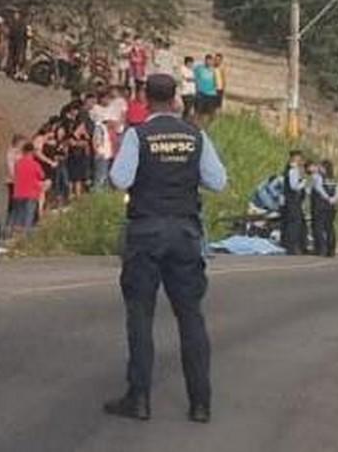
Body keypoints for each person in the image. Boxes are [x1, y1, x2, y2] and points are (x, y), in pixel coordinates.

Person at [105, 74, 227, 425]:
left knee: (141, 315)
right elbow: (218, 181)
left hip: (145, 232)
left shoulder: (137, 135)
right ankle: (200, 403)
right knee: (190, 316)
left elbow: (120, 179)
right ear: (176, 99)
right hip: (185, 233)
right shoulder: (195, 136)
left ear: (145, 97)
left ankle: (139, 398)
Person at [8, 142, 46, 235]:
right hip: (31, 193)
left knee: (17, 215)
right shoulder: (35, 164)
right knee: (28, 217)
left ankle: (12, 234)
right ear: (32, 152)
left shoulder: (18, 163)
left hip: (18, 193)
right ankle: (25, 236)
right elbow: (42, 175)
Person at [312, 159, 338, 257]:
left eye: (320, 167)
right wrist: (334, 199)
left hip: (321, 206)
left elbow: (319, 189)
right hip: (331, 207)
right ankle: (331, 249)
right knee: (330, 228)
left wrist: (328, 198)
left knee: (319, 228)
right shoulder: (333, 179)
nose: (319, 168)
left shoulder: (318, 177)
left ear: (324, 168)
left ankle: (322, 249)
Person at [281, 151, 308, 255]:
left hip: (292, 200)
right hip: (292, 200)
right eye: (299, 158)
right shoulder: (293, 170)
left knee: (296, 223)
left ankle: (296, 245)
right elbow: (294, 186)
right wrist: (303, 183)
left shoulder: (292, 170)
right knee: (294, 223)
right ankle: (292, 246)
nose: (301, 161)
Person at [4, 134, 26, 220]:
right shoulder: (11, 153)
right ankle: (10, 222)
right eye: (23, 143)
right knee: (13, 202)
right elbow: (11, 167)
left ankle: (18, 220)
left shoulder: (21, 152)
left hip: (22, 180)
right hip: (13, 181)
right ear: (18, 143)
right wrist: (16, 178)